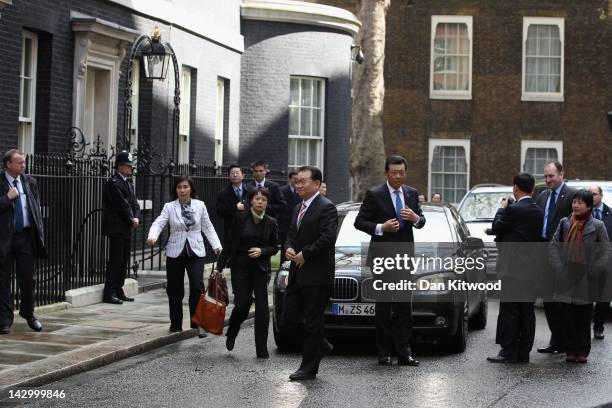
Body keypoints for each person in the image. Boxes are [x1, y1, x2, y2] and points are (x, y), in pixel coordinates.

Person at [354, 155, 425, 367]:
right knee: (384, 307)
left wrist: (415, 218)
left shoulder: (411, 194)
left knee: (404, 308)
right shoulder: (375, 194)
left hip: (404, 258)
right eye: (394, 173)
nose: (398, 176)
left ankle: (404, 353)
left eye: (401, 172)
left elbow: (421, 222)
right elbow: (359, 222)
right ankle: (384, 353)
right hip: (382, 258)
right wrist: (380, 228)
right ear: (386, 173)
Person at [147, 176, 222, 336]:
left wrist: (216, 245)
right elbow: (159, 222)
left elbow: (207, 227)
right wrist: (152, 236)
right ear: (176, 190)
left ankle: (197, 323)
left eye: (185, 187)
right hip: (175, 251)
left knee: (197, 286)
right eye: (179, 187)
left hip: (195, 251)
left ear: (191, 189)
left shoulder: (200, 205)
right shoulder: (169, 207)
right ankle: (175, 324)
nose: (182, 190)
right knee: (175, 289)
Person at [282, 166, 338, 381]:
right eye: (297, 181)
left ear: (316, 183)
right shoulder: (298, 207)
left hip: (317, 273)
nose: (298, 185)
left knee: (313, 322)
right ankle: (321, 344)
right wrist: (287, 248)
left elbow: (327, 237)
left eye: (303, 181)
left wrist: (307, 253)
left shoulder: (327, 207)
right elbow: (290, 235)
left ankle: (308, 368)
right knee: (289, 317)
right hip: (297, 272)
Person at [486, 173, 543, 364]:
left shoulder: (514, 210)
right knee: (527, 311)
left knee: (510, 309)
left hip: (512, 269)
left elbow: (496, 226)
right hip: (532, 269)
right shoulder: (538, 210)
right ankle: (524, 352)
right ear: (532, 189)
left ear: (515, 188)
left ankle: (508, 351)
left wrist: (502, 208)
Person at [549, 189, 611, 363]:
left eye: (580, 202)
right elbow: (554, 245)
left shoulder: (597, 225)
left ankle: (582, 351)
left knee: (582, 316)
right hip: (566, 272)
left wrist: (595, 269)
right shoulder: (564, 222)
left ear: (589, 206)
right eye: (574, 202)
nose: (575, 205)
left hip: (586, 275)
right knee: (566, 315)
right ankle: (570, 350)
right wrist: (559, 267)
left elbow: (606, 250)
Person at [216, 187, 279, 358]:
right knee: (242, 304)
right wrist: (219, 267)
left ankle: (261, 349)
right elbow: (229, 244)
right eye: (257, 199)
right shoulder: (240, 219)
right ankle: (232, 331)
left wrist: (262, 251)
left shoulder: (271, 222)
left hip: (260, 270)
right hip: (240, 268)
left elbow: (275, 247)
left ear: (267, 203)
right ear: (251, 201)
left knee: (262, 308)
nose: (260, 202)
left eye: (264, 199)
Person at [0, 149, 47, 335]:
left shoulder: (30, 182)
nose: (23, 165)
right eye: (19, 162)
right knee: (2, 281)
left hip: (25, 237)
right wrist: (7, 198)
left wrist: (40, 234)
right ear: (8, 164)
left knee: (28, 280)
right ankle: (4, 320)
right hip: (4, 237)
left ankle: (28, 313)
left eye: (24, 162)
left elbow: (35, 209)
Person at [535, 161, 577, 354]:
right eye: (545, 176)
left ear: (561, 174)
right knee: (548, 300)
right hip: (543, 253)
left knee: (563, 300)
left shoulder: (571, 196)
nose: (548, 180)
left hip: (561, 254)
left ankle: (568, 340)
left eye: (551, 176)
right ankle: (556, 339)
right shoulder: (542, 196)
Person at [102, 151, 140, 305]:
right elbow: (121, 204)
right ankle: (109, 291)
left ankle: (119, 289)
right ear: (119, 166)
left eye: (131, 165)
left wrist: (136, 216)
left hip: (126, 227)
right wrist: (131, 218)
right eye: (128, 165)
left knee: (123, 260)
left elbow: (134, 203)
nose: (131, 168)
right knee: (116, 260)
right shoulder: (113, 183)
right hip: (116, 226)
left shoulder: (128, 183)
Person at [588, 185, 612, 340]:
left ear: (601, 195)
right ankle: (584, 325)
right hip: (587, 261)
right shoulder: (583, 213)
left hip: (607, 262)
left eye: (594, 194)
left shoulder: (610, 213)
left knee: (603, 297)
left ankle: (598, 327)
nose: (591, 197)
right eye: (588, 194)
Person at [216, 164, 252, 245]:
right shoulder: (223, 194)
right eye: (232, 173)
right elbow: (220, 212)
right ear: (229, 176)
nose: (235, 175)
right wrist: (235, 207)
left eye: (237, 173)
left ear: (243, 175)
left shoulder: (251, 190)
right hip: (231, 232)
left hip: (249, 230)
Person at [279, 171, 301, 262]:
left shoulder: (300, 191)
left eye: (297, 179)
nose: (296, 181)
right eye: (294, 179)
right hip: (284, 224)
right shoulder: (282, 190)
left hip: (296, 223)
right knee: (285, 248)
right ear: (290, 179)